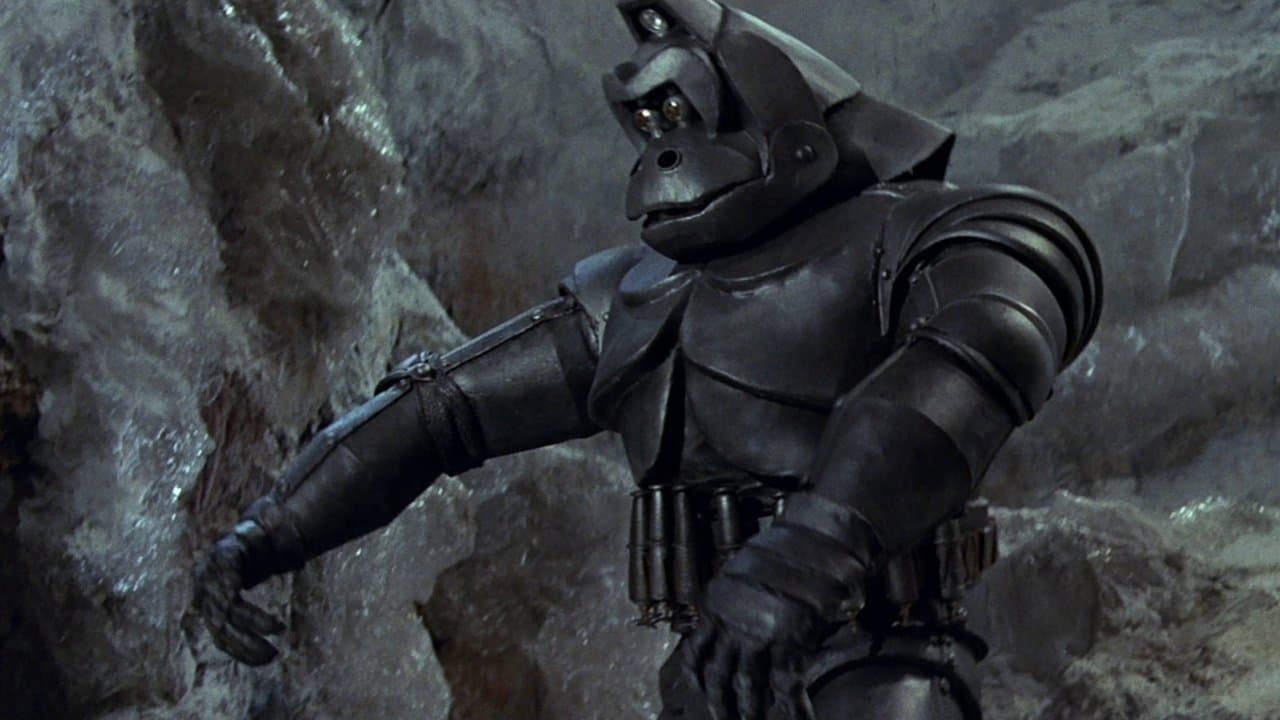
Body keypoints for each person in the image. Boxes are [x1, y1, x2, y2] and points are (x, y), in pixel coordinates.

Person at [194, 2, 1102, 718]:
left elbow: (978, 355)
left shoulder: (933, 230)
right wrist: (269, 532)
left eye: (683, 112)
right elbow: (438, 412)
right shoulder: (632, 294)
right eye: (647, 122)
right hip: (710, 674)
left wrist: (796, 564)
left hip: (880, 666)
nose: (662, 148)